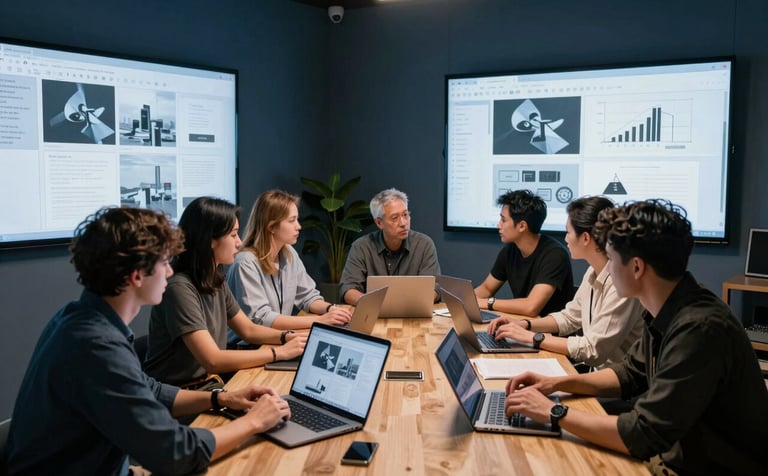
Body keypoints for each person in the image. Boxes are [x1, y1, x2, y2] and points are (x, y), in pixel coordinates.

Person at [5, 207, 292, 476]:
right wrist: (254, 422)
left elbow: (149, 389)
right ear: (137, 276)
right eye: (164, 262)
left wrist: (221, 398)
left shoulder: (77, 318)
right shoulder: (97, 347)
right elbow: (175, 453)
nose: (170, 272)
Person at [503, 199, 768, 475]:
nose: (607, 268)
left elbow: (643, 434)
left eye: (612, 258)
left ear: (637, 267)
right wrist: (555, 383)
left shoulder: (699, 328)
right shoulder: (669, 307)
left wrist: (553, 412)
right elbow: (629, 373)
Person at [144, 197, 307, 388]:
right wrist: (279, 353)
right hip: (179, 394)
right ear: (211, 240)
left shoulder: (214, 278)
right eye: (233, 235)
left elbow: (248, 330)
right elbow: (212, 360)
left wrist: (287, 337)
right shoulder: (179, 288)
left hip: (205, 384)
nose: (239, 243)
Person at [488, 196, 644, 369]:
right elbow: (569, 318)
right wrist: (525, 324)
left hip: (617, 387)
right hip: (596, 374)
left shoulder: (620, 284)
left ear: (585, 238)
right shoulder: (593, 272)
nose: (566, 239)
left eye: (569, 232)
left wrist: (532, 337)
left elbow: (593, 350)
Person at [226, 190, 352, 342]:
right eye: (292, 221)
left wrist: (331, 310)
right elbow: (261, 318)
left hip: (277, 339)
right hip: (247, 348)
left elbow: (307, 296)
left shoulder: (288, 253)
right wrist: (320, 321)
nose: (298, 226)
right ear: (272, 227)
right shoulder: (246, 262)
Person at [475, 189, 573, 316]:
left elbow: (531, 307)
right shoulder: (510, 251)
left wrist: (488, 303)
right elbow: (486, 288)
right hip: (521, 325)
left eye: (503, 220)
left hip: (547, 330)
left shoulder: (555, 255)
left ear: (522, 226)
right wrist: (464, 301)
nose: (498, 225)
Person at [339, 188, 441, 305]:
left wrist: (403, 305)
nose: (403, 223)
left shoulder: (424, 245)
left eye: (405, 215)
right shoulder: (361, 247)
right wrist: (376, 304)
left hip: (414, 312)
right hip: (374, 313)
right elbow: (348, 289)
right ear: (379, 223)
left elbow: (434, 289)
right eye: (395, 218)